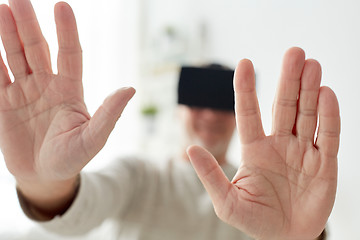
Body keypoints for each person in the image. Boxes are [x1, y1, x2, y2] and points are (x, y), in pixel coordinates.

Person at [0, 0, 339, 240]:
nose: (209, 114)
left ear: (239, 117)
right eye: (197, 102)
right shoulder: (139, 177)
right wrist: (43, 183)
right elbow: (79, 214)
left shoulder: (265, 193)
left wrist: (297, 237)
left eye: (222, 104)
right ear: (177, 109)